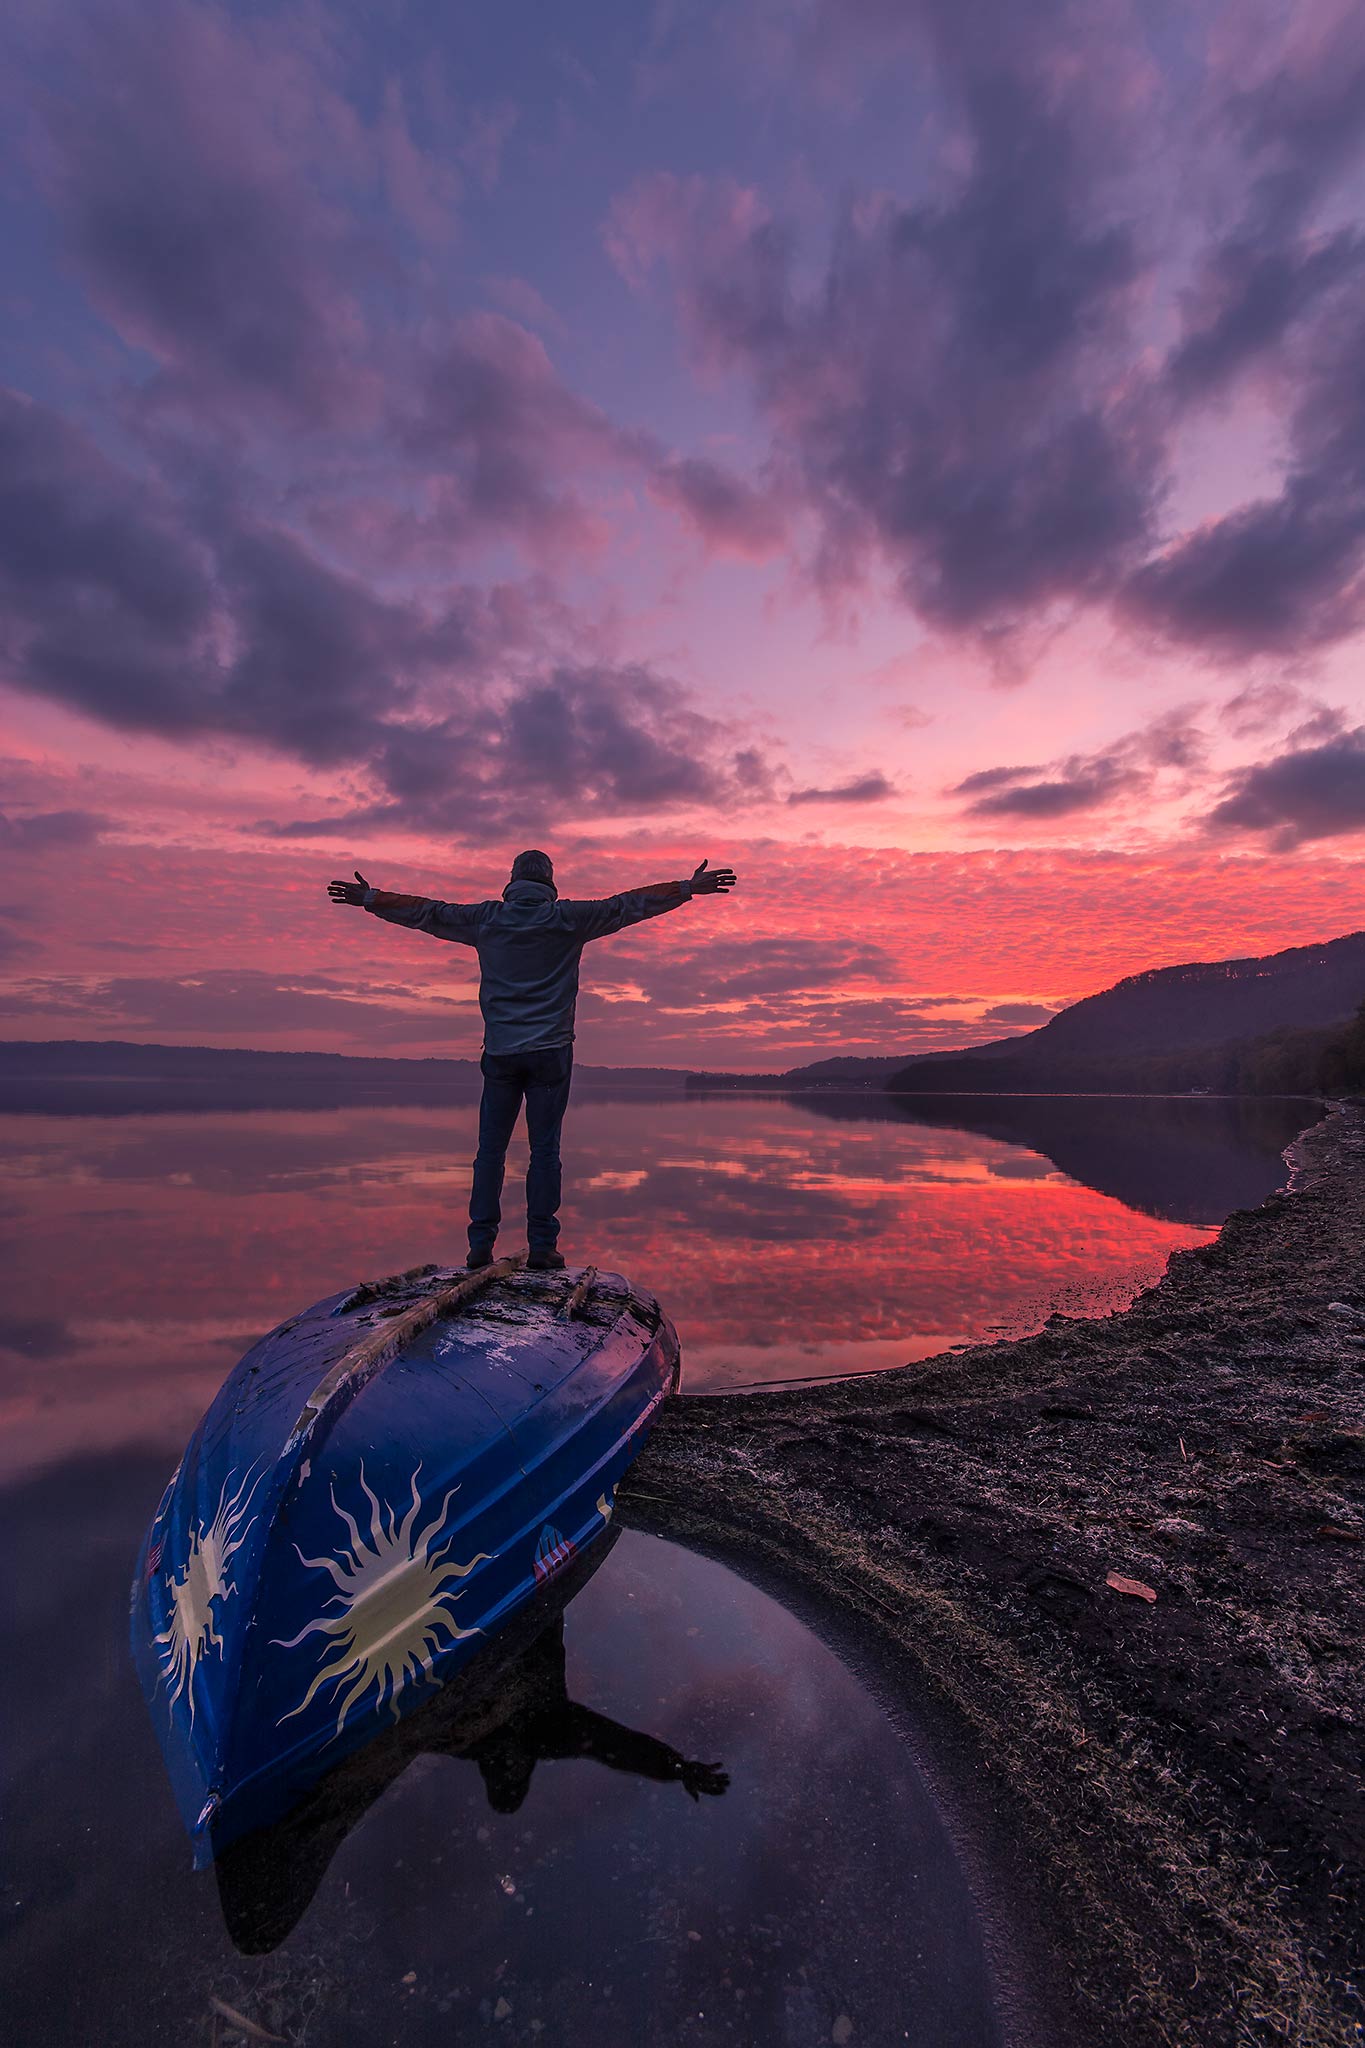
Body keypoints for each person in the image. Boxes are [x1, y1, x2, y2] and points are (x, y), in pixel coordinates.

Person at [328, 849, 737, 1269]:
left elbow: (426, 912)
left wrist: (371, 899)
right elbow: (627, 906)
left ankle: (479, 1248)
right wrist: (686, 889)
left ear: (512, 880)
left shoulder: (486, 919)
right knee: (544, 1151)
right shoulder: (567, 918)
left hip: (502, 1054)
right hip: (551, 1055)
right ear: (549, 882)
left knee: (490, 1152)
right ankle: (543, 1248)